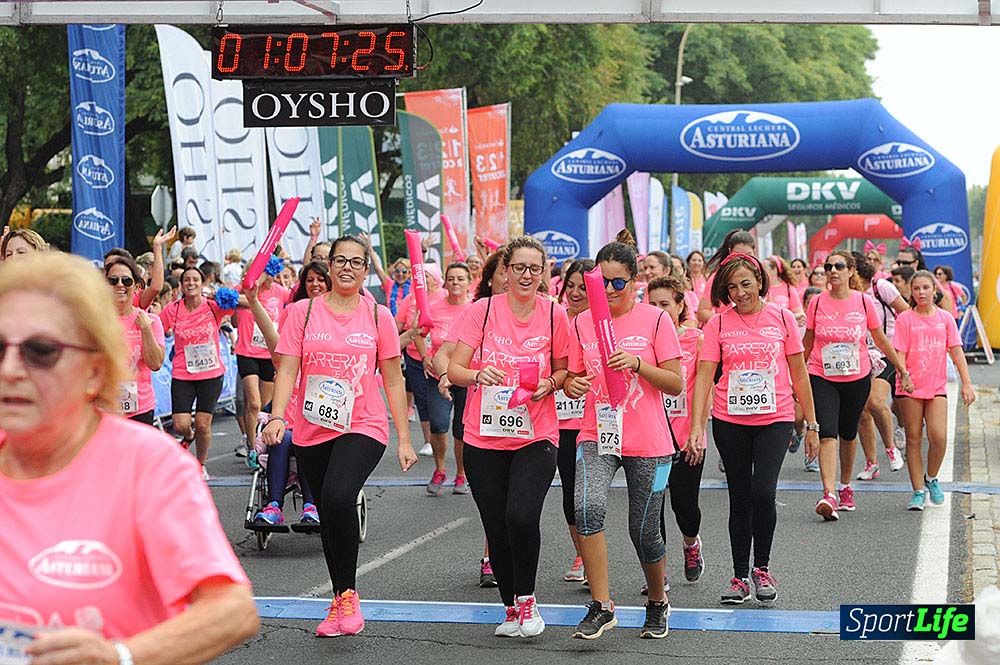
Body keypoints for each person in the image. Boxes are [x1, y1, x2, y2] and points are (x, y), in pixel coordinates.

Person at [0, 252, 258, 664]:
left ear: (95, 371)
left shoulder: (150, 465)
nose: (10, 368)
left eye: (41, 350)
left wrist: (121, 655)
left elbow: (232, 611)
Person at [263, 234, 417, 638]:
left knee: (335, 496)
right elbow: (288, 368)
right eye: (340, 260)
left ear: (367, 270)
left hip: (362, 423)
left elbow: (394, 379)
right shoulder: (302, 312)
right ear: (328, 266)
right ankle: (338, 598)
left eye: (356, 261)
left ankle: (349, 596)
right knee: (329, 515)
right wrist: (277, 416)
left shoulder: (378, 315)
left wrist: (403, 437)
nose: (347, 267)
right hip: (312, 425)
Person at [448, 236, 571, 639]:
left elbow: (564, 371)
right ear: (505, 270)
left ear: (544, 274)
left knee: (521, 515)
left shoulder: (554, 316)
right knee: (496, 523)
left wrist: (549, 384)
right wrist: (478, 374)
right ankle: (509, 607)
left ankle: (528, 599)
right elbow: (454, 369)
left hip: (537, 433)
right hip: (484, 435)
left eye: (535, 268)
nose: (526, 275)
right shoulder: (481, 311)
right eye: (518, 267)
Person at [564, 238, 683, 641]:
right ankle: (601, 605)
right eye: (604, 283)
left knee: (644, 529)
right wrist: (574, 384)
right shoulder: (581, 322)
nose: (611, 291)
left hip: (648, 439)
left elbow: (675, 383)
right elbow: (571, 377)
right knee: (586, 506)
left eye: (619, 283)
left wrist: (637, 364)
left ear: (635, 282)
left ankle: (657, 600)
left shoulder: (655, 320)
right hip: (597, 431)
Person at [689, 252, 820, 605]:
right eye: (732, 287)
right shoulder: (717, 324)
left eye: (746, 284)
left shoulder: (781, 318)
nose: (740, 293)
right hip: (729, 420)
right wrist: (697, 426)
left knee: (763, 492)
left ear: (760, 281)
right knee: (739, 497)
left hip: (774, 419)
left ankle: (761, 568)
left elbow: (799, 373)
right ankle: (738, 576)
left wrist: (812, 424)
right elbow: (704, 376)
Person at [802, 250, 913, 521]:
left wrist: (901, 368)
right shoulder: (816, 302)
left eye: (839, 266)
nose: (833, 271)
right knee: (827, 432)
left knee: (848, 433)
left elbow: (879, 338)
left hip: (857, 377)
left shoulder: (863, 302)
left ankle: (845, 485)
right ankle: (828, 494)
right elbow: (807, 341)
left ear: (851, 270)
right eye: (828, 266)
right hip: (821, 374)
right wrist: (795, 376)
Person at [245, 261, 331, 527]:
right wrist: (253, 301)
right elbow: (271, 335)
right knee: (283, 438)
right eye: (309, 280)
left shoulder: (331, 356)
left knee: (303, 437)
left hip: (321, 423)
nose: (315, 285)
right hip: (287, 423)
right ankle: (274, 506)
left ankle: (311, 505)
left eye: (320, 280)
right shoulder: (286, 360)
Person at [893, 270, 976, 510]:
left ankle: (931, 477)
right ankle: (918, 490)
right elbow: (899, 352)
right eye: (916, 288)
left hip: (936, 385)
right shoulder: (905, 319)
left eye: (925, 288)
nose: (921, 293)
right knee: (914, 438)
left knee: (939, 437)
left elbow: (957, 352)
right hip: (910, 385)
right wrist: (904, 374)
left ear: (934, 290)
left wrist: (966, 382)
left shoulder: (945, 318)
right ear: (911, 291)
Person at [647, 276, 707, 586]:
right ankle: (659, 572)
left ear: (681, 306)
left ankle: (691, 543)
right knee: (653, 504)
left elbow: (703, 391)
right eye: (652, 304)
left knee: (685, 505)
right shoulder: (641, 341)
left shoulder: (696, 340)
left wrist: (697, 431)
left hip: (686, 437)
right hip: (652, 441)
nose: (658, 310)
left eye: (665, 304)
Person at [158, 266, 237, 480]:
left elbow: (244, 304)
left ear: (202, 284)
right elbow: (157, 327)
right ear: (181, 285)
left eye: (195, 280)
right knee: (180, 424)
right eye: (186, 280)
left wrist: (219, 295)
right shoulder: (173, 309)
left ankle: (200, 463)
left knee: (203, 424)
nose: (191, 283)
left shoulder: (213, 307)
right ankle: (188, 435)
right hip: (183, 373)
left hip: (211, 374)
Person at [413, 262, 473, 495]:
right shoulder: (433, 307)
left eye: (461, 278)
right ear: (445, 283)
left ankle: (461, 474)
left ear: (469, 282)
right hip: (437, 376)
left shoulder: (475, 308)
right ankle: (440, 469)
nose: (456, 283)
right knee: (438, 424)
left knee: (461, 429)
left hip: (467, 376)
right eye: (452, 279)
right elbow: (419, 333)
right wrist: (425, 356)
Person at [553, 258, 593, 584]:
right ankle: (582, 554)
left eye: (583, 287)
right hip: (560, 420)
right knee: (570, 493)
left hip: (596, 420)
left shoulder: (603, 324)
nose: (576, 293)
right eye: (571, 286)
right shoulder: (555, 319)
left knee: (591, 496)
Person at [855, 256, 909, 480]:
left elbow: (906, 313)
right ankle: (871, 463)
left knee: (876, 401)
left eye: (841, 268)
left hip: (887, 351)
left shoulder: (880, 287)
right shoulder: (844, 297)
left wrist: (904, 347)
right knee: (861, 412)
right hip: (857, 356)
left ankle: (890, 448)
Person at [234, 263, 290, 458]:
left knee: (265, 406)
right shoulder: (244, 290)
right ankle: (251, 448)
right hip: (247, 352)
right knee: (254, 403)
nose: (270, 276)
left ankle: (262, 444)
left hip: (270, 353)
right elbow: (225, 300)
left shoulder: (280, 292)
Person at [106, 256, 166, 426]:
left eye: (126, 281)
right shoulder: (96, 321)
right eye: (113, 280)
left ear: (137, 286)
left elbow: (155, 364)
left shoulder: (149, 320)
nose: (120, 285)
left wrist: (146, 330)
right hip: (105, 406)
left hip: (140, 407)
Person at [395, 264, 444, 458]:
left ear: (435, 279)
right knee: (422, 398)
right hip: (414, 355)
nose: (422, 280)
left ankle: (443, 436)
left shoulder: (444, 297)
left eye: (427, 276)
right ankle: (428, 440)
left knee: (438, 402)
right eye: (420, 276)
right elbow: (396, 325)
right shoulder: (410, 299)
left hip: (440, 359)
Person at [697, 230, 756, 324]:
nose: (742, 259)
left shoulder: (761, 277)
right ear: (729, 252)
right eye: (737, 254)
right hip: (728, 335)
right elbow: (702, 312)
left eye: (748, 255)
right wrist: (728, 323)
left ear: (754, 252)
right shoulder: (719, 277)